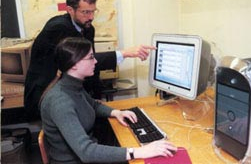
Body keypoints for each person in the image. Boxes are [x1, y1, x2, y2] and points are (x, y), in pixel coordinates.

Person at [24, 0, 155, 121]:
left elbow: (91, 65)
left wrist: (95, 98)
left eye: (93, 12)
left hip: (69, 90)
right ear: (70, 10)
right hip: (46, 92)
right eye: (85, 12)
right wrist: (125, 53)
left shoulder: (87, 28)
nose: (91, 17)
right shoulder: (59, 27)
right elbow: (80, 61)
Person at [40, 37, 177, 164]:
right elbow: (86, 152)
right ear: (74, 64)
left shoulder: (73, 86)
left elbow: (93, 105)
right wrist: (139, 151)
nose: (95, 61)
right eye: (91, 57)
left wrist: (115, 112)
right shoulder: (60, 101)